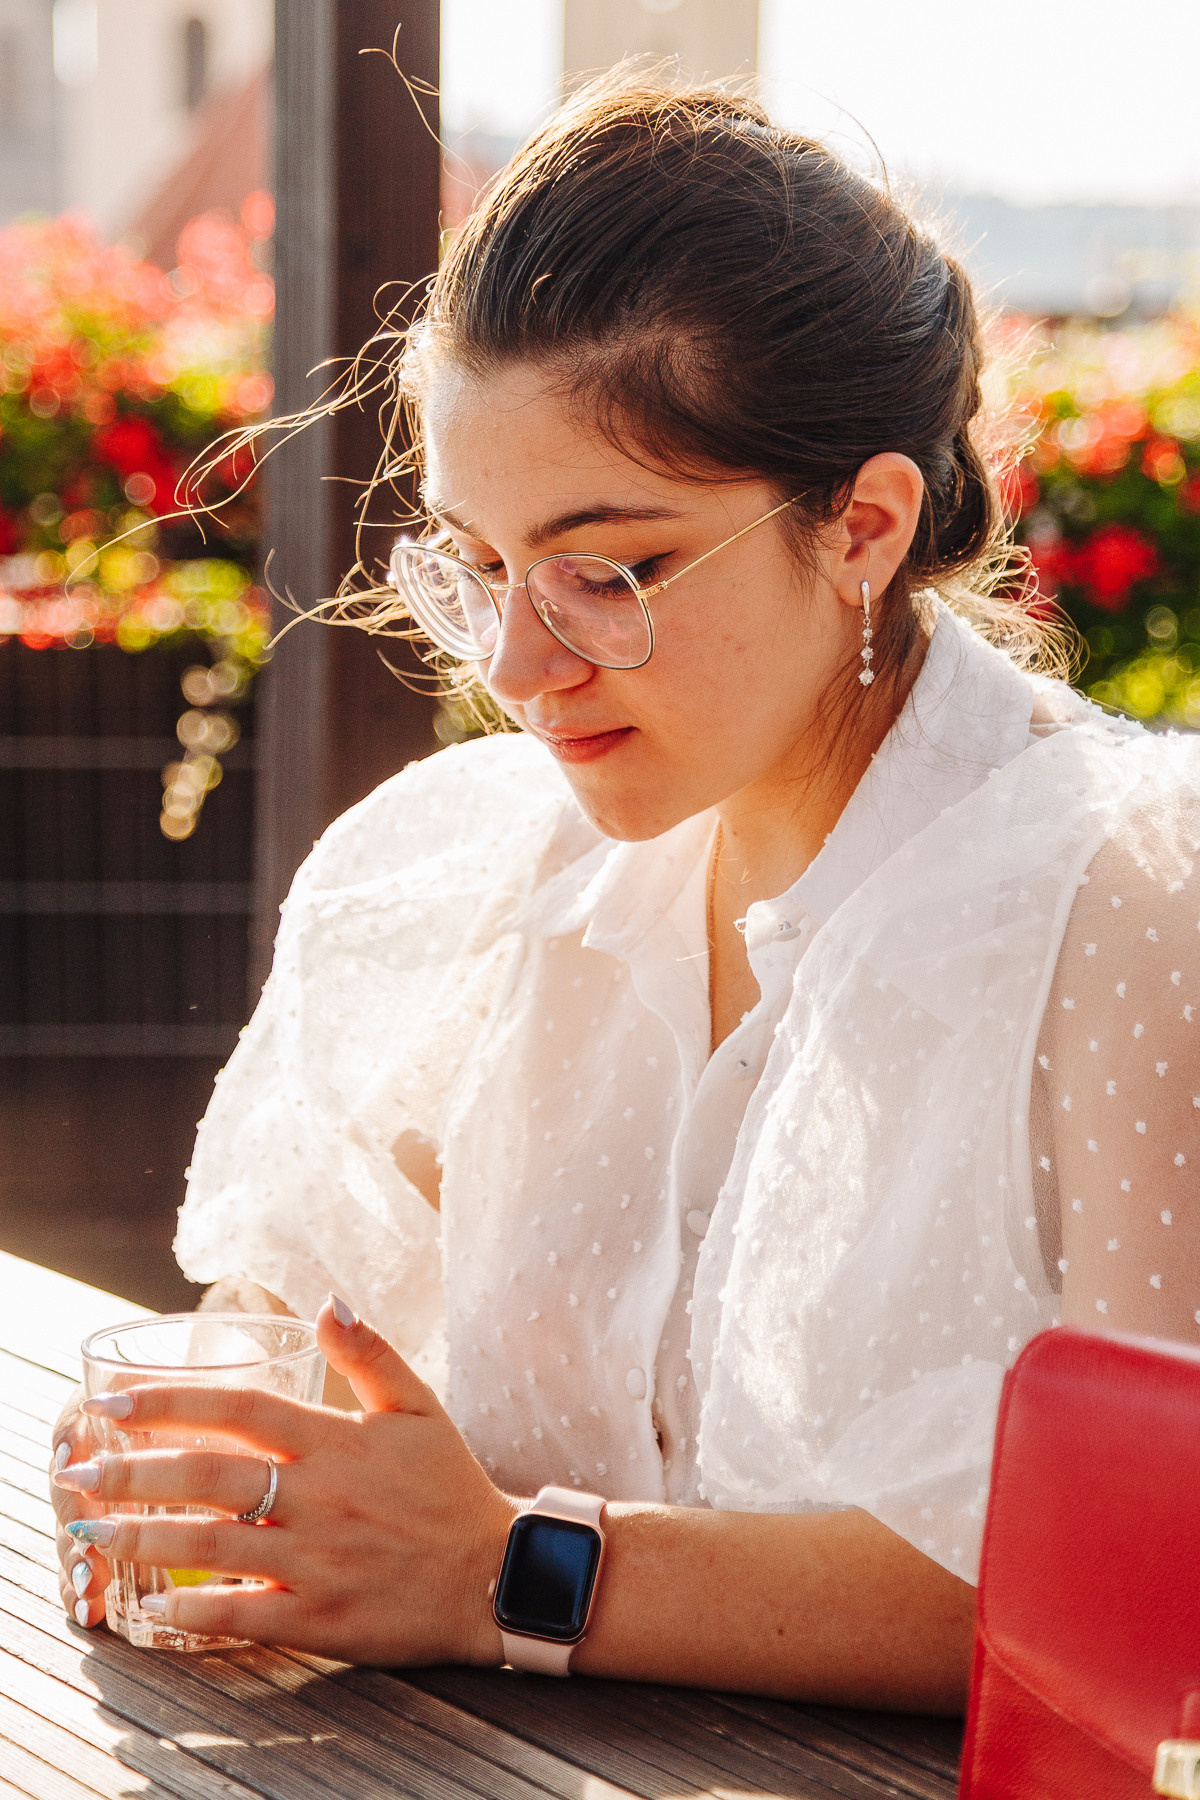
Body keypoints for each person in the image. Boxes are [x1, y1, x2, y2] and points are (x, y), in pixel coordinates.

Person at [50, 76, 1200, 1709]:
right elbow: (268, 1382)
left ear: (862, 524)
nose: (519, 665)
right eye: (482, 565)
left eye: (609, 570)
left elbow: (1159, 1590)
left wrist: (505, 1571)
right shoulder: (448, 877)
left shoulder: (1133, 897)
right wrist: (226, 1496)